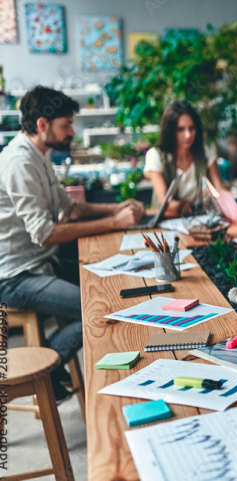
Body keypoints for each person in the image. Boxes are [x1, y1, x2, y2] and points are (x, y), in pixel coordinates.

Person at [0, 86, 145, 400]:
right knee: (103, 309)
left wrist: (118, 208)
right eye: (66, 124)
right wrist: (113, 223)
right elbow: (46, 233)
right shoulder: (19, 162)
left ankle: (56, 365)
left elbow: (71, 209)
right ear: (42, 125)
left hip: (40, 265)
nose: (71, 131)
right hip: (15, 277)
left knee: (110, 288)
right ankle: (48, 366)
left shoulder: (39, 154)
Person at [144, 101, 224, 214]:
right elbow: (164, 201)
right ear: (170, 131)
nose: (188, 135)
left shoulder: (205, 151)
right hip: (166, 221)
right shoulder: (155, 155)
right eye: (180, 129)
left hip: (198, 218)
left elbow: (219, 188)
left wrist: (232, 201)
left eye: (192, 128)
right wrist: (186, 205)